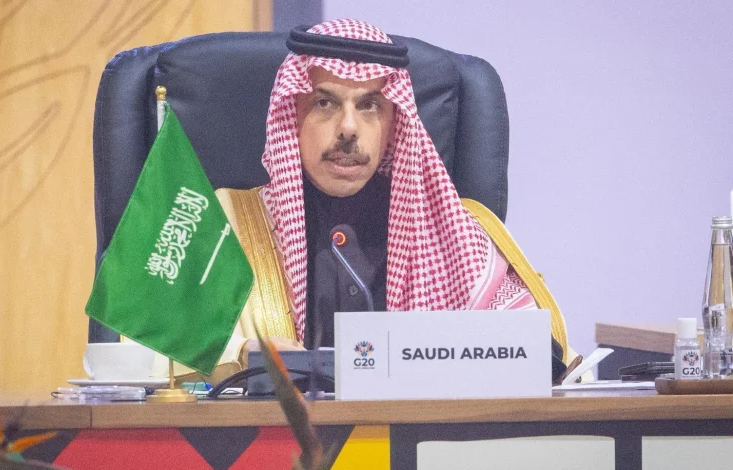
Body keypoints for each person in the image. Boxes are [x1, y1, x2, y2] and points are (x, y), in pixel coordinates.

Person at [181, 19, 571, 383]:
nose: (349, 128)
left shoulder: (454, 234)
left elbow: (540, 354)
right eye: (325, 103)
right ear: (292, 115)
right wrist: (242, 355)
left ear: (394, 122)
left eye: (369, 106)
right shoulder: (227, 222)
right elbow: (161, 344)